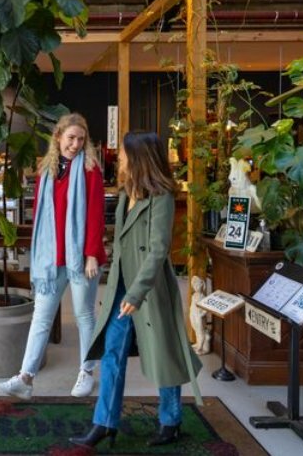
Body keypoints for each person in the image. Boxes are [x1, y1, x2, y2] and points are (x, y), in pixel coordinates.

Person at [70, 131, 202, 449]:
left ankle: (170, 421)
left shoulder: (163, 196)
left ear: (140, 158)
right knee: (113, 353)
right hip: (120, 287)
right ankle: (104, 423)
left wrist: (136, 293)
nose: (121, 158)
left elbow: (158, 251)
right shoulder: (127, 191)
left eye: (126, 154)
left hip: (150, 289)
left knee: (163, 353)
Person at [0, 113, 107, 400]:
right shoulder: (47, 170)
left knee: (84, 316)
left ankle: (86, 372)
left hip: (81, 258)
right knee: (41, 318)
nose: (76, 144)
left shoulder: (91, 169)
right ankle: (25, 378)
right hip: (51, 259)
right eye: (71, 138)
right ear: (58, 137)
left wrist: (92, 253)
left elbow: (95, 215)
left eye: (81, 139)